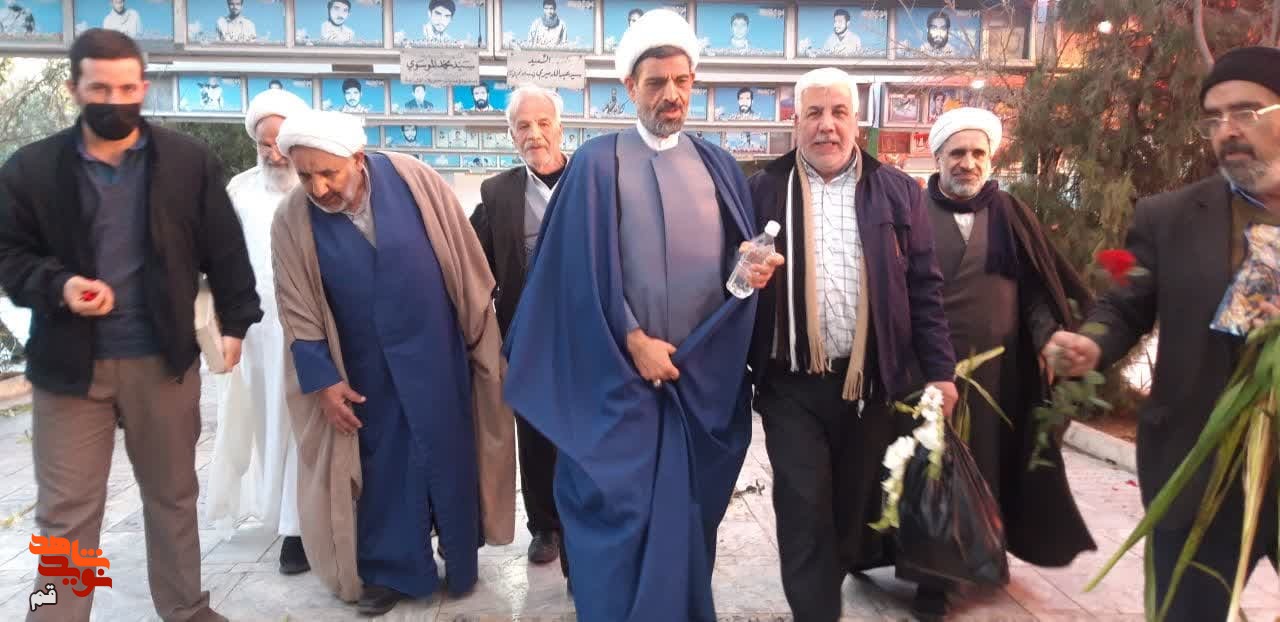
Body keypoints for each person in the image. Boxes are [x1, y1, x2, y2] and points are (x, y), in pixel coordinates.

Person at [501, 9, 782, 620]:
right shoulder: (596, 163)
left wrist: (747, 270)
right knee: (616, 515)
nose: (671, 94)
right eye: (656, 82)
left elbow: (731, 275)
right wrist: (632, 340)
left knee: (687, 516)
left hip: (697, 385)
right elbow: (569, 276)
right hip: (618, 385)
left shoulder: (718, 165)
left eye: (681, 81)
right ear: (630, 86)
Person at [0, 29, 262, 622]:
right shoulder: (32, 169)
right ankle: (51, 615)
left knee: (173, 498)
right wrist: (59, 286)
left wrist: (237, 321)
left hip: (163, 361)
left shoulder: (188, 163)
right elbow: (8, 255)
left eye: (126, 88)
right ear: (75, 89)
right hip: (69, 369)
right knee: (64, 516)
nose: (114, 100)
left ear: (143, 87)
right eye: (100, 89)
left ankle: (186, 608)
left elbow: (225, 247)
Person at [1047, 46, 1280, 622]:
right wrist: (1091, 342)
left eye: (1246, 112)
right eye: (1214, 118)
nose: (1227, 131)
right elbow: (1124, 302)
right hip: (1197, 469)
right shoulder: (1169, 216)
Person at [270, 109, 516, 616]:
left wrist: (481, 340)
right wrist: (323, 379)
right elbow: (296, 307)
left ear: (357, 159)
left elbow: (465, 257)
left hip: (437, 354)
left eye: (328, 173)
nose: (318, 188)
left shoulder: (413, 179)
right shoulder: (292, 218)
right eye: (306, 175)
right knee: (382, 470)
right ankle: (390, 572)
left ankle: (459, 558)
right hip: (364, 371)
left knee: (449, 455)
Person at [745, 67, 959, 622]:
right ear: (795, 123)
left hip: (870, 384)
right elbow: (731, 276)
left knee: (850, 510)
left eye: (839, 112)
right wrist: (740, 270)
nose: (827, 126)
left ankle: (829, 581)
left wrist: (941, 372)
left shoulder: (898, 192)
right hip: (790, 384)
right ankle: (815, 612)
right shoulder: (760, 189)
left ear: (856, 122)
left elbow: (924, 289)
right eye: (814, 113)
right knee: (802, 505)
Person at [920, 106, 1096, 618]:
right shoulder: (912, 212)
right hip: (931, 373)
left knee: (992, 466)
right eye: (957, 153)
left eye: (978, 153)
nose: (968, 163)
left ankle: (983, 557)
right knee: (934, 471)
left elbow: (1037, 292)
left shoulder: (1011, 213)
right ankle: (933, 579)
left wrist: (1048, 338)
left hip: (1000, 376)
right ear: (938, 158)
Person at [206, 89, 313, 576]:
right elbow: (221, 262)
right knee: (270, 425)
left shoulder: (315, 183)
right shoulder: (239, 191)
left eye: (280, 143)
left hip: (309, 326)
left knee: (305, 424)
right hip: (256, 335)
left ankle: (301, 526)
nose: (273, 155)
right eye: (263, 144)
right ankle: (286, 520)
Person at [470, 86, 569, 571]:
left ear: (560, 128)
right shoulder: (497, 194)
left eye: (543, 123)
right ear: (511, 135)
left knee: (582, 430)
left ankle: (583, 517)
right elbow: (472, 262)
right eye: (523, 126)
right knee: (533, 435)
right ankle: (545, 527)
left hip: (584, 336)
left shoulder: (591, 179)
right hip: (524, 337)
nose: (534, 134)